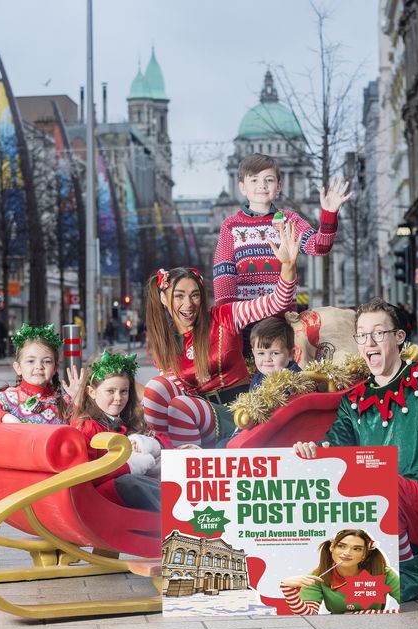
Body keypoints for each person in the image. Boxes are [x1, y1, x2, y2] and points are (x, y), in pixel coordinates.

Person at [293, 297, 418, 602]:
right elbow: (336, 446)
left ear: (398, 338)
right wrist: (313, 451)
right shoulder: (353, 401)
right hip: (388, 509)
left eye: (379, 333)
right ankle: (383, 566)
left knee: (378, 478)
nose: (369, 342)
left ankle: (404, 578)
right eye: (362, 334)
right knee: (353, 480)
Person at [143, 221, 302, 447]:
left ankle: (185, 466)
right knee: (155, 387)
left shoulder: (225, 316)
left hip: (239, 411)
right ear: (163, 299)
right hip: (192, 418)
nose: (188, 304)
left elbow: (276, 303)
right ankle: (164, 452)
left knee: (180, 406)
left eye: (195, 295)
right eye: (179, 296)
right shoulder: (163, 343)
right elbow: (168, 392)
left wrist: (287, 266)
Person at [213, 153, 352, 307]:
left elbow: (319, 247)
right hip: (246, 317)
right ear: (242, 188)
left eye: (269, 180)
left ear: (278, 186)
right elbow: (224, 274)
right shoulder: (230, 225)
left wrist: (329, 214)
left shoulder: (290, 221)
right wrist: (227, 318)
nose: (262, 185)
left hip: (283, 319)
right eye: (254, 180)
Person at [70, 351, 172, 510]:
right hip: (102, 498)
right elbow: (85, 474)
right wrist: (129, 465)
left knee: (172, 462)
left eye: (123, 391)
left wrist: (149, 443)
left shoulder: (131, 418)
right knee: (129, 483)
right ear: (92, 392)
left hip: (136, 489)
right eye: (110, 391)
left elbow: (163, 439)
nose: (118, 398)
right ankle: (174, 513)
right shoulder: (87, 426)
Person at [0, 323, 78, 424]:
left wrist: (78, 400)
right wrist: (6, 418)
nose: (39, 366)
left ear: (55, 368)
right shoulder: (11, 398)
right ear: (18, 368)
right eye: (31, 361)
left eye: (47, 361)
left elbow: (83, 429)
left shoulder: (64, 400)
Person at [217, 316, 301, 447]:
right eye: (261, 353)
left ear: (291, 354)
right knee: (221, 444)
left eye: (275, 353)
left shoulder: (292, 378)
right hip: (254, 428)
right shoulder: (258, 378)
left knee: (224, 446)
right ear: (253, 353)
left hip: (275, 434)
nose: (267, 359)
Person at [280, 529, 400, 614]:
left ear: (365, 554)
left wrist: (369, 614)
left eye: (357, 549)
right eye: (341, 546)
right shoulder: (317, 576)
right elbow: (309, 615)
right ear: (332, 548)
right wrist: (288, 589)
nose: (347, 553)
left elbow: (410, 608)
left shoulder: (384, 573)